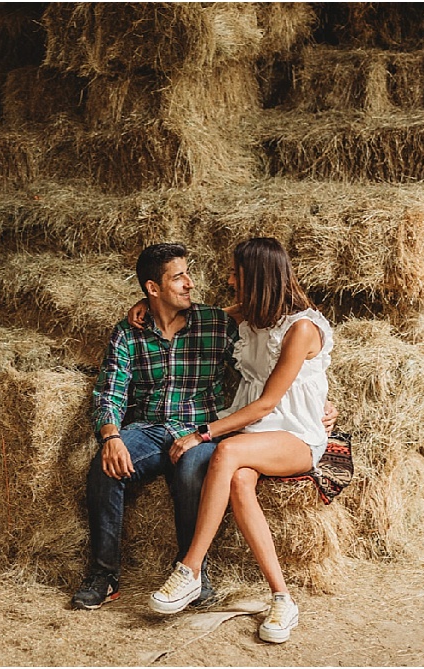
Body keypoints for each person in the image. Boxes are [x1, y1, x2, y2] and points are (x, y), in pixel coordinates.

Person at [71, 242, 336, 613]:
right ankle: (104, 577)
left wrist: (322, 403)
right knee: (105, 466)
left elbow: (281, 372)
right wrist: (111, 435)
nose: (191, 284)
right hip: (148, 428)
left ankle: (195, 573)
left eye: (187, 274)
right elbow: (109, 391)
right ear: (153, 288)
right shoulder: (129, 332)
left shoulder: (217, 324)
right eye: (178, 278)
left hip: (202, 423)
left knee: (198, 465)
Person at [147, 237, 333, 645]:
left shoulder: (302, 328)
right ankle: (282, 597)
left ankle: (190, 568)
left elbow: (268, 404)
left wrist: (203, 433)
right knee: (237, 480)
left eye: (236, 273)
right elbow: (196, 315)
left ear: (258, 277)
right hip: (255, 436)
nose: (229, 279)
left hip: (295, 434)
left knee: (227, 451)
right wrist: (145, 308)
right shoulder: (248, 317)